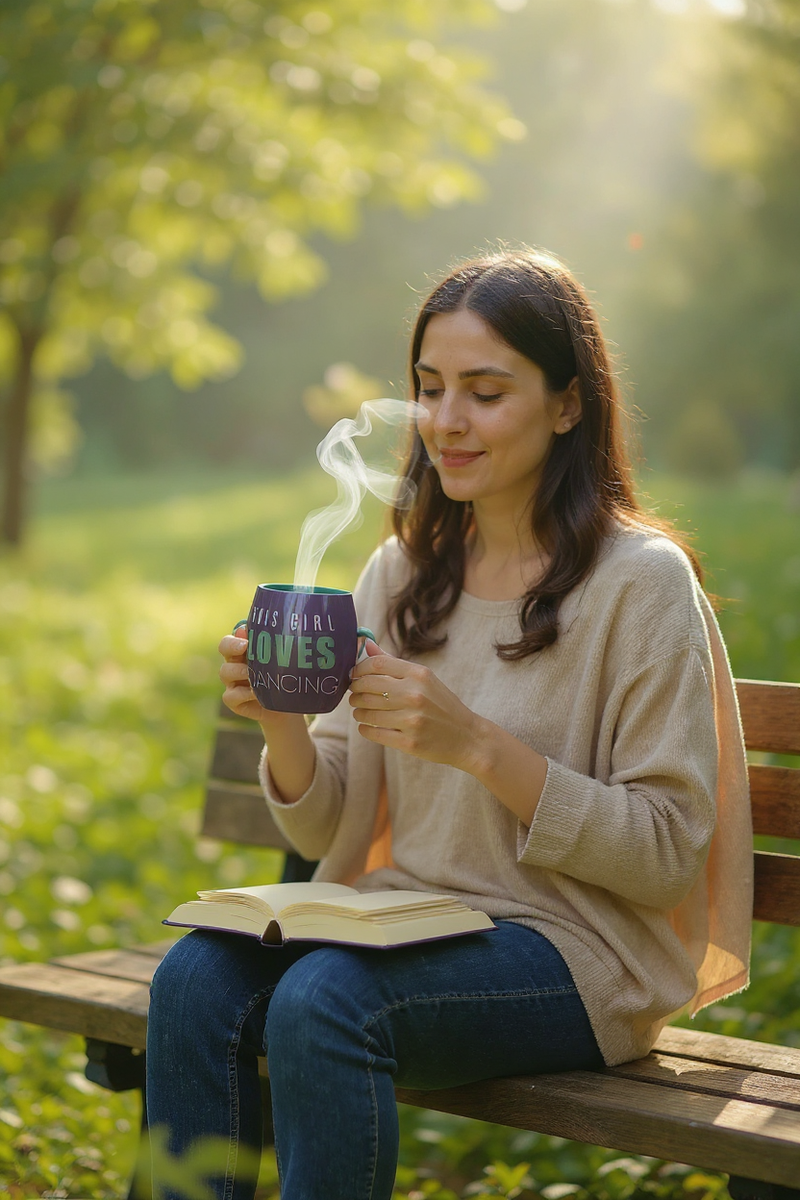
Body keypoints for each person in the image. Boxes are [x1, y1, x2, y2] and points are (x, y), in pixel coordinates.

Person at [146, 248, 753, 1200]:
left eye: (485, 391)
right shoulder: (402, 571)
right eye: (430, 390)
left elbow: (669, 853)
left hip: (577, 953)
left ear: (567, 403)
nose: (446, 422)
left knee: (322, 1000)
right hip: (402, 922)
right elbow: (326, 830)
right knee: (192, 980)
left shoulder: (641, 584)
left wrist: (476, 745)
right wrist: (284, 730)